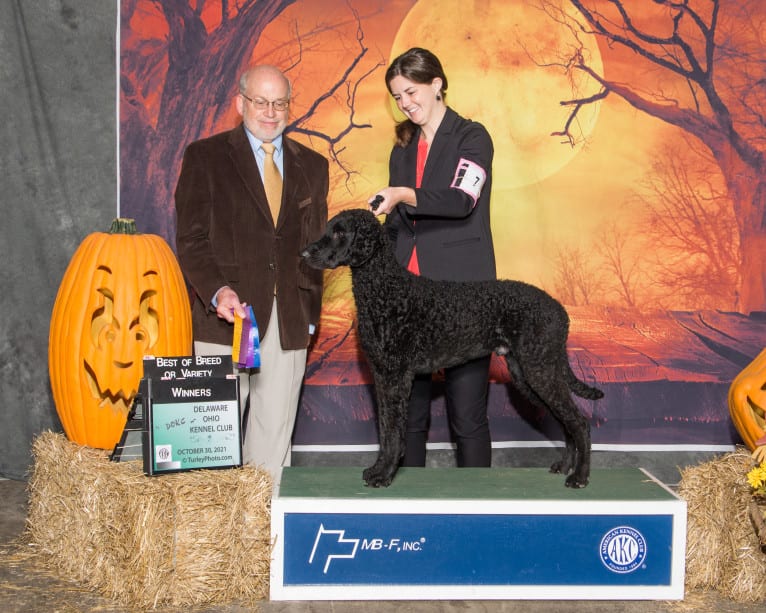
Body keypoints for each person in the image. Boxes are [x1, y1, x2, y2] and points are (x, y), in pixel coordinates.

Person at [174, 65, 329, 482]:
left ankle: (263, 532)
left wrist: (310, 315)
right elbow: (190, 240)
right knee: (209, 439)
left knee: (273, 436)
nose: (270, 112)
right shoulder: (204, 157)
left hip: (290, 321)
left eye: (279, 103)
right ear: (240, 103)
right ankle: (208, 535)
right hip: (227, 318)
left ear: (289, 109)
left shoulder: (313, 166)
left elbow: (316, 249)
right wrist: (217, 291)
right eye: (260, 102)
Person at [368, 47, 496, 468]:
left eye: (410, 91)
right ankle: (409, 509)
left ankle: (479, 514)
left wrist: (404, 194)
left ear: (436, 83)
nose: (405, 104)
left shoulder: (472, 137)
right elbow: (395, 227)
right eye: (397, 98)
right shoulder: (401, 149)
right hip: (410, 303)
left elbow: (462, 200)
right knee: (408, 416)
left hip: (463, 298)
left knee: (468, 417)